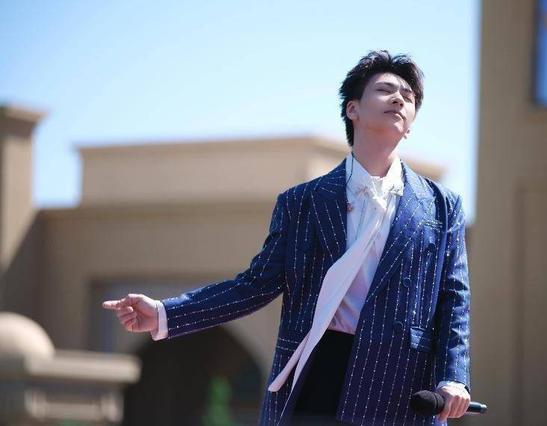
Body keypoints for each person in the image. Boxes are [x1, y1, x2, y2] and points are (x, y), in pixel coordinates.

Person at [103, 50, 471, 425]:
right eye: (385, 90)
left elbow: (454, 300)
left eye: (408, 96)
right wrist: (165, 313)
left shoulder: (442, 207)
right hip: (315, 374)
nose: (399, 99)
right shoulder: (302, 203)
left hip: (399, 384)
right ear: (353, 109)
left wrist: (453, 377)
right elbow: (254, 285)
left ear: (410, 124)